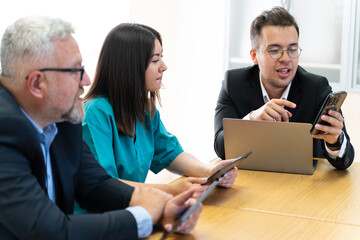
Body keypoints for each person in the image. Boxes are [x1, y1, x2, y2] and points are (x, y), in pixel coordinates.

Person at [0, 16, 204, 240]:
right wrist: (144, 215)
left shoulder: (62, 118)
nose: (86, 80)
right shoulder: (5, 131)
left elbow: (95, 185)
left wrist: (164, 206)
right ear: (38, 84)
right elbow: (47, 231)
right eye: (75, 71)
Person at [80, 23, 238, 197]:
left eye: (161, 58)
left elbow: (171, 153)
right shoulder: (95, 113)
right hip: (102, 215)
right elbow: (106, 184)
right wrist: (171, 190)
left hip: (131, 206)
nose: (164, 66)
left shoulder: (145, 110)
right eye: (155, 60)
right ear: (130, 66)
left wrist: (209, 171)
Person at [214, 7, 354, 170]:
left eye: (292, 49)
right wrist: (252, 120)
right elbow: (220, 147)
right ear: (254, 56)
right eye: (275, 50)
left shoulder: (316, 88)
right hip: (252, 182)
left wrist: (335, 142)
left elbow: (345, 161)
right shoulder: (234, 84)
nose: (286, 58)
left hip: (303, 187)